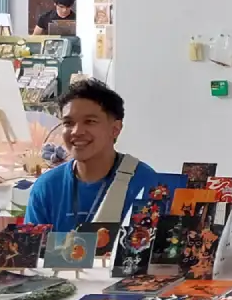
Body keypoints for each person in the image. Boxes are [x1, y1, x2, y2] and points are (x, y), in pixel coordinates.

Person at [23, 78, 162, 232]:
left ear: (115, 129)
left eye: (89, 121)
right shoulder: (47, 187)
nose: (76, 132)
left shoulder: (145, 182)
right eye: (68, 123)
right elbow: (32, 252)